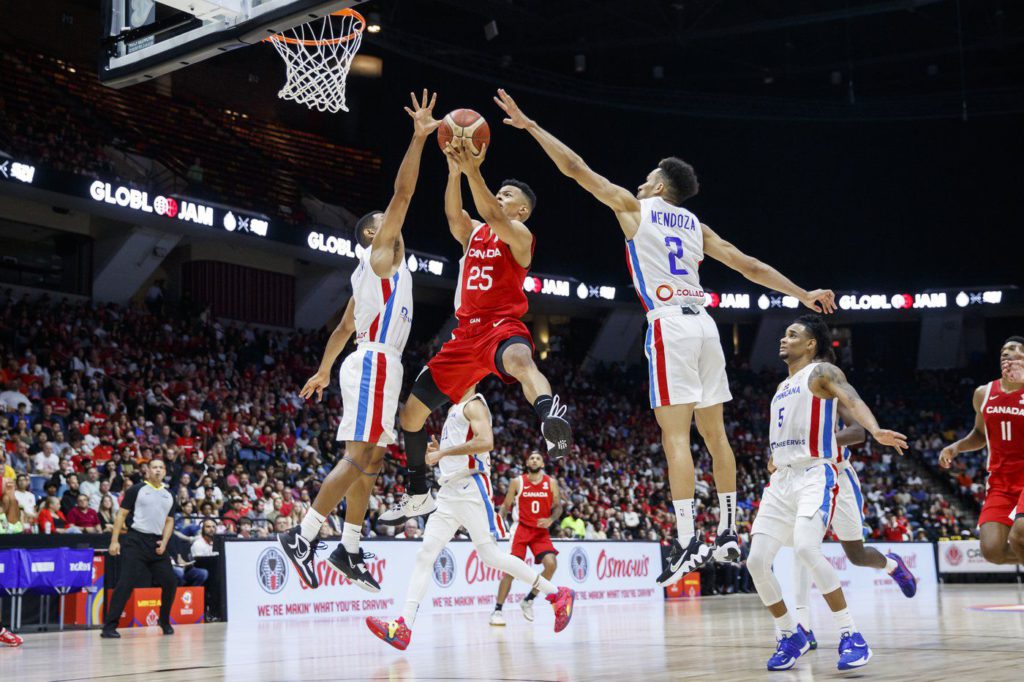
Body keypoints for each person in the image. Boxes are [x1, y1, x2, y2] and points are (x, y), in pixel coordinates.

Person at [492, 89, 836, 584]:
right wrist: (802, 293)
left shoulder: (636, 207)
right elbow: (751, 266)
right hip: (705, 325)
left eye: (649, 174)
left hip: (670, 323)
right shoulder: (696, 226)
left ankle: (686, 539)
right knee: (715, 434)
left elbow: (575, 168)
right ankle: (728, 531)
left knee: (675, 435)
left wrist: (530, 126)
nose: (641, 178)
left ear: (657, 186)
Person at [277, 91, 439, 592]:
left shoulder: (373, 279)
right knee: (357, 456)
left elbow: (344, 328)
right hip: (373, 363)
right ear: (371, 237)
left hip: (373, 360)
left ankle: (348, 549)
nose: (388, 227)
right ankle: (302, 536)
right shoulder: (378, 260)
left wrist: (325, 369)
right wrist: (417, 139)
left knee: (372, 459)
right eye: (379, 226)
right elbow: (403, 195)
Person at [382, 131, 576, 527]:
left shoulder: (520, 236)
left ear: (521, 212)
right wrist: (455, 172)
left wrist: (474, 171)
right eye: (500, 192)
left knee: (521, 359)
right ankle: (418, 491)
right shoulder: (475, 233)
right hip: (464, 334)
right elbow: (455, 217)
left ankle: (548, 416)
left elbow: (492, 214)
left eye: (509, 196)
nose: (501, 198)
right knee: (411, 417)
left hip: (500, 326)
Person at [746, 315, 907, 671]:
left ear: (811, 344)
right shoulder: (780, 388)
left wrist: (876, 430)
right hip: (783, 480)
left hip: (819, 472)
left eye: (793, 335)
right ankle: (791, 634)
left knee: (811, 548)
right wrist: (776, 456)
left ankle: (852, 635)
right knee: (755, 561)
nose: (783, 339)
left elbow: (853, 398)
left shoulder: (822, 372)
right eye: (784, 334)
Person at [365, 389, 575, 650]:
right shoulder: (454, 408)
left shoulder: (474, 404)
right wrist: (442, 453)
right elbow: (458, 451)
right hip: (448, 491)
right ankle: (404, 626)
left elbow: (486, 442)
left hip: (471, 487)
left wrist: (443, 453)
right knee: (425, 554)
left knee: (491, 556)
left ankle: (556, 594)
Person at [787, 413, 917, 649]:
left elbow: (858, 432)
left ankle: (891, 564)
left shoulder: (830, 384)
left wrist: (815, 442)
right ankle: (804, 627)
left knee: (856, 555)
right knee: (802, 547)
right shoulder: (788, 391)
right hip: (805, 478)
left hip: (839, 476)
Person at [939, 336, 1024, 565]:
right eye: (1004, 350)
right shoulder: (983, 393)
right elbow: (979, 435)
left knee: (1019, 535)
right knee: (992, 551)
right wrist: (956, 447)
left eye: (1016, 349)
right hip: (1000, 482)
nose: (1008, 353)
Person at [101, 459, 178, 639]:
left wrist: (164, 542)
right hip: (136, 541)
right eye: (154, 467)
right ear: (147, 471)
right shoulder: (136, 490)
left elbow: (170, 520)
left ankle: (164, 620)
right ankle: (109, 627)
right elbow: (121, 514)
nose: (158, 470)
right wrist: (114, 541)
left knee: (170, 582)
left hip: (157, 543)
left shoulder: (170, 494)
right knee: (125, 584)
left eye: (161, 467)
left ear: (165, 471)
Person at [491, 451, 562, 626]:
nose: (535, 460)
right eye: (532, 458)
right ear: (527, 463)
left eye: (538, 458)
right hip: (521, 529)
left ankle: (528, 600)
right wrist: (498, 527)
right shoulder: (518, 481)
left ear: (543, 464)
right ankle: (497, 610)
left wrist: (551, 519)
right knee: (510, 570)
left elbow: (559, 507)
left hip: (540, 531)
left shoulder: (551, 483)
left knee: (551, 564)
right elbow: (505, 506)